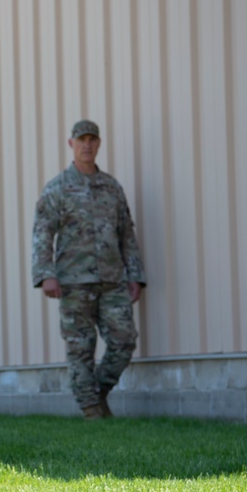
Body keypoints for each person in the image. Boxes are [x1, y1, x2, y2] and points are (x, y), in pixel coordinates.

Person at [31, 120, 146, 420]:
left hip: (112, 279)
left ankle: (96, 394)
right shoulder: (57, 189)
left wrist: (136, 276)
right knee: (80, 348)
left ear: (99, 143)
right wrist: (46, 274)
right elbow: (43, 233)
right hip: (73, 282)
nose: (87, 145)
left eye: (92, 139)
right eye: (81, 139)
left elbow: (127, 235)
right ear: (71, 144)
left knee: (125, 340)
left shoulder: (112, 188)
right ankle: (92, 411)